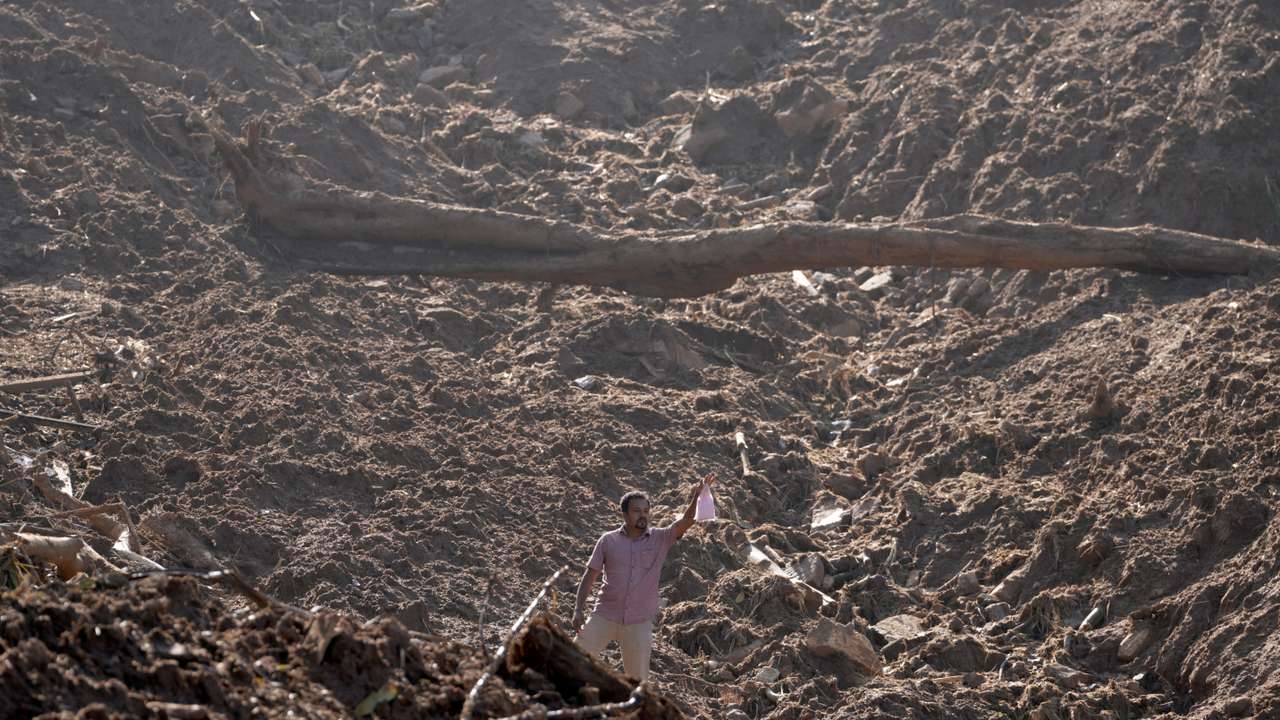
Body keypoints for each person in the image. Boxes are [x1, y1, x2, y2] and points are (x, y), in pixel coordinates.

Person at [571, 473, 715, 682]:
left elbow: (687, 520)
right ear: (625, 514)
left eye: (646, 511)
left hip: (639, 623)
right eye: (637, 511)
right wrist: (578, 609)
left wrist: (697, 496)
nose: (643, 515)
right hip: (604, 615)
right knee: (573, 659)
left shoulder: (660, 538)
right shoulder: (607, 541)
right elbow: (589, 576)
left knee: (637, 682)